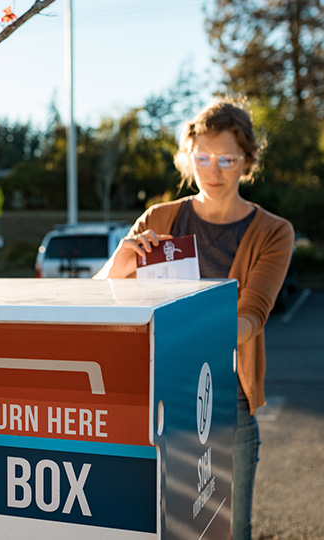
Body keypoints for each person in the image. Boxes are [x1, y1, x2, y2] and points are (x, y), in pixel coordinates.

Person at [95, 98, 294, 539]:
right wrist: (121, 262)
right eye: (202, 157)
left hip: (227, 402)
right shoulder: (161, 218)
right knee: (162, 525)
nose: (213, 170)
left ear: (247, 162)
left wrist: (191, 337)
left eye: (227, 159)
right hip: (156, 396)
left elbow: (252, 315)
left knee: (229, 528)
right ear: (188, 157)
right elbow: (101, 295)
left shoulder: (272, 232)